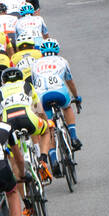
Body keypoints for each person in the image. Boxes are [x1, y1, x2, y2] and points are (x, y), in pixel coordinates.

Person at [32, 39, 83, 176]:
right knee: (66, 108)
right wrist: (76, 97)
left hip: (41, 96)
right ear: (57, 50)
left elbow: (32, 87)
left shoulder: (35, 63)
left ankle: (53, 160)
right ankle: (73, 137)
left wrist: (34, 109)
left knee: (49, 128)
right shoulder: (62, 61)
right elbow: (70, 81)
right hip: (59, 92)